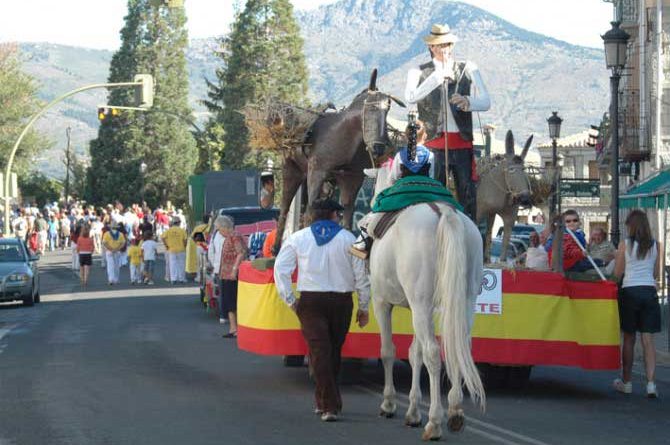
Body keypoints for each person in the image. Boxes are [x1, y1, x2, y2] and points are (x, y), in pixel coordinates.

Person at [274, 199, 370, 422]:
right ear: (333, 215)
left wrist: (290, 300)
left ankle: (323, 400)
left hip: (310, 302)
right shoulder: (353, 239)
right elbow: (362, 276)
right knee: (331, 351)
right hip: (342, 302)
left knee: (321, 352)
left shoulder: (297, 238)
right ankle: (330, 405)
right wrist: (364, 306)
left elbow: (281, 269)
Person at [405, 23, 490, 220]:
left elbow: (486, 102)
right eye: (439, 45)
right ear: (431, 47)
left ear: (452, 46)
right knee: (432, 196)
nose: (444, 49)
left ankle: (470, 234)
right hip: (433, 144)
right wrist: (435, 78)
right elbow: (410, 97)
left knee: (468, 195)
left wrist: (468, 101)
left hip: (461, 143)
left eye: (447, 45)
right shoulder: (418, 71)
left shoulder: (467, 68)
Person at [612, 210, 662, 398]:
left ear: (631, 226)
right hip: (649, 292)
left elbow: (617, 273)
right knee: (648, 341)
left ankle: (627, 382)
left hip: (630, 292)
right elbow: (656, 274)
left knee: (629, 339)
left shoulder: (625, 245)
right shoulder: (657, 245)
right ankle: (650, 384)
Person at [217, 215, 248, 338]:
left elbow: (241, 253)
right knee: (229, 302)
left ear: (224, 227)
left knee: (233, 301)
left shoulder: (234, 236)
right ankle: (233, 328)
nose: (219, 232)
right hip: (227, 274)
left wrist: (234, 270)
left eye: (219, 229)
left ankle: (236, 328)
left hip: (232, 274)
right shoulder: (230, 236)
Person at [208, 218, 226, 323]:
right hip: (225, 268)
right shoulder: (231, 235)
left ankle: (223, 315)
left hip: (219, 268)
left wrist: (214, 263)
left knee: (223, 293)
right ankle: (226, 314)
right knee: (228, 292)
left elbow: (211, 252)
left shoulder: (215, 235)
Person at [161, 218, 188, 284]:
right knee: (181, 264)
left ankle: (173, 279)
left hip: (171, 249)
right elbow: (185, 240)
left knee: (172, 264)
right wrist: (185, 246)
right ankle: (181, 278)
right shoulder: (182, 230)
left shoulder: (169, 230)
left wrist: (166, 245)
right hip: (181, 249)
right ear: (179, 223)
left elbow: (162, 237)